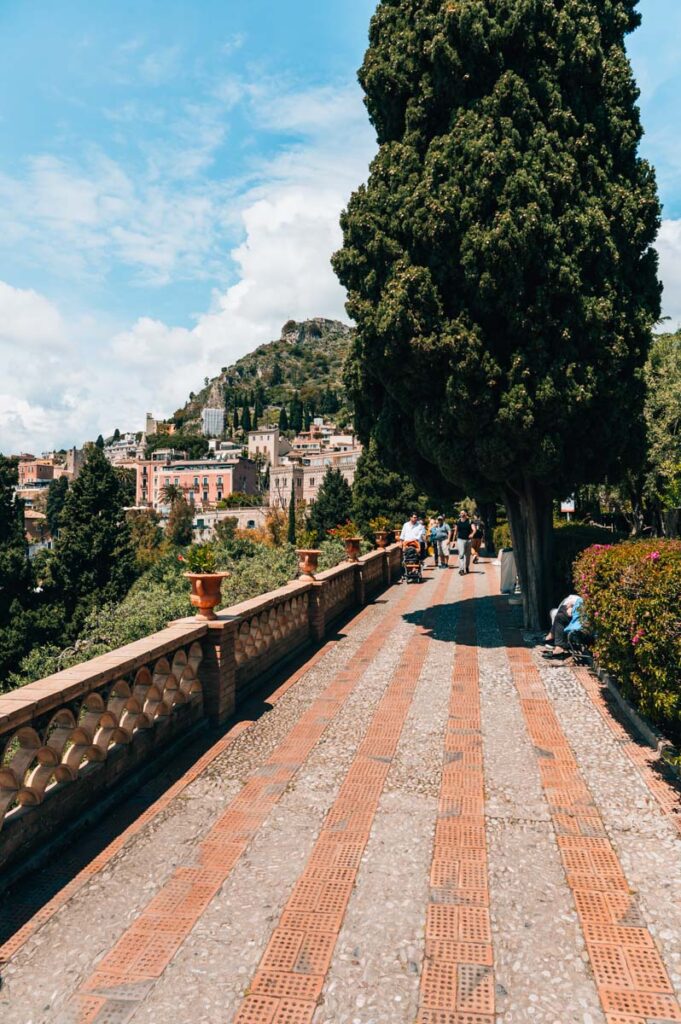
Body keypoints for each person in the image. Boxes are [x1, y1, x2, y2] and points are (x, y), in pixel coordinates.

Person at [452, 509, 474, 575]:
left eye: (463, 513)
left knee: (467, 556)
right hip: (460, 540)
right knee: (461, 554)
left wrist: (472, 534)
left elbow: (474, 529)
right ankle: (461, 569)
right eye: (461, 513)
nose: (462, 514)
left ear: (466, 514)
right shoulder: (458, 521)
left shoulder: (470, 521)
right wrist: (453, 541)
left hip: (468, 540)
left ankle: (466, 567)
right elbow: (455, 531)